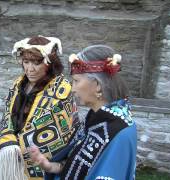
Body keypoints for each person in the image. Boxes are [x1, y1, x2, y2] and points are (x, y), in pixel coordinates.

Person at [29, 45, 137, 180]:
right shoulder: (94, 119)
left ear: (97, 85)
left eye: (76, 81)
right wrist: (50, 166)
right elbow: (78, 166)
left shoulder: (120, 131)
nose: (72, 89)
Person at [0, 36, 76, 180]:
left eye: (37, 63)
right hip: (11, 156)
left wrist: (19, 145)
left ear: (50, 63)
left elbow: (62, 130)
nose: (30, 69)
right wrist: (8, 141)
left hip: (43, 166)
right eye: (26, 62)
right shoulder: (18, 84)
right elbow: (8, 116)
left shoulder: (61, 88)